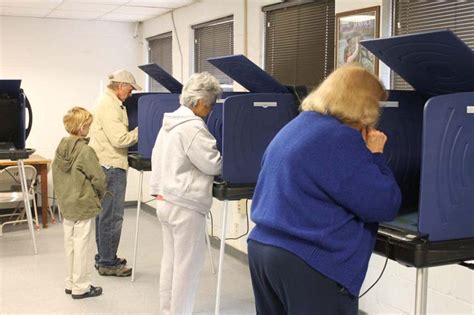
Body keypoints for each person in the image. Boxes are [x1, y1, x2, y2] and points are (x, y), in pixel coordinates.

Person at [247, 64, 401, 315]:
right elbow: (385, 204)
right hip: (308, 262)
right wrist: (376, 155)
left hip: (264, 251)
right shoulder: (339, 139)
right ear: (364, 105)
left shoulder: (297, 126)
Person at [150, 72, 222, 315]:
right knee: (187, 269)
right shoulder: (192, 127)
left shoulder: (168, 123)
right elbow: (213, 164)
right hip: (185, 205)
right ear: (200, 102)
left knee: (170, 263)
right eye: (211, 104)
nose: (211, 110)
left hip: (165, 200)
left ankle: (167, 311)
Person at [89, 69, 141, 277]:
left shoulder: (109, 101)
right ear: (121, 86)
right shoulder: (109, 105)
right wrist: (144, 128)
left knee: (104, 215)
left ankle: (104, 257)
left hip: (104, 164)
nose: (130, 94)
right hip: (110, 166)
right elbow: (120, 139)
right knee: (112, 216)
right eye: (130, 89)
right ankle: (108, 263)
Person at [52, 106, 107, 299]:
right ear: (82, 126)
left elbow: (57, 176)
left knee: (71, 245)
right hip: (83, 204)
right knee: (83, 245)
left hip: (66, 204)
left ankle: (71, 282)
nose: (89, 128)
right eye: (88, 125)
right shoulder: (85, 151)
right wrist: (99, 196)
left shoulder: (60, 149)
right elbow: (99, 179)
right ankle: (81, 287)